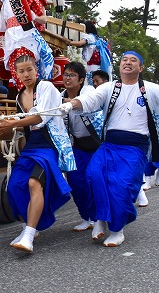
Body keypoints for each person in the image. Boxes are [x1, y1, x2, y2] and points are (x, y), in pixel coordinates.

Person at [60, 51, 159, 247]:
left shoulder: (151, 90)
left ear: (140, 68)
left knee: (120, 185)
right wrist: (71, 106)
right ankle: (100, 219)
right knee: (93, 176)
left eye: (133, 60)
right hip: (109, 144)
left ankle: (117, 230)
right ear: (120, 66)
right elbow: (90, 100)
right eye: (124, 59)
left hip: (135, 147)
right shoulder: (110, 88)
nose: (127, 62)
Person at [0, 54, 75, 253]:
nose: (26, 74)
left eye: (29, 69)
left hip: (49, 145)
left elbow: (41, 118)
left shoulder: (45, 87)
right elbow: (26, 127)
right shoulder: (19, 96)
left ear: (36, 69)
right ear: (16, 73)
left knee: (33, 182)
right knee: (14, 186)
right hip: (31, 147)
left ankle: (29, 235)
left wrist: (13, 124)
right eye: (21, 71)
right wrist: (8, 129)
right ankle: (27, 227)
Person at [60, 61, 104, 231]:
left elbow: (85, 103)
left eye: (72, 75)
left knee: (95, 180)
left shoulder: (89, 92)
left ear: (81, 80)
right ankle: (87, 218)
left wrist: (69, 102)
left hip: (97, 144)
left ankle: (100, 217)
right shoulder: (60, 95)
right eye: (65, 74)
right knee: (76, 181)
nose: (67, 78)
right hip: (76, 146)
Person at [65, 21, 112, 86]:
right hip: (99, 66)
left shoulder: (89, 37)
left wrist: (69, 42)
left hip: (92, 67)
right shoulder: (97, 38)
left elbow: (80, 43)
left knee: (92, 86)